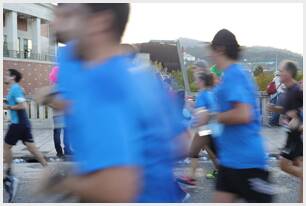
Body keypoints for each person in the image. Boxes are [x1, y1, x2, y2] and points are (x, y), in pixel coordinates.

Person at [37, 3, 189, 202]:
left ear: (101, 22)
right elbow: (182, 142)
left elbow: (115, 189)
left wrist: (59, 183)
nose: (56, 25)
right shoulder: (142, 77)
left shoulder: (103, 82)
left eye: (67, 15)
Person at [195, 29, 273, 203]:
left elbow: (243, 114)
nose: (211, 56)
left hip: (247, 162)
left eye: (212, 51)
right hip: (230, 160)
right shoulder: (228, 75)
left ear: (220, 49)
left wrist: (211, 116)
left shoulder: (234, 74)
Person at [3, 69, 48, 202]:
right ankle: (48, 169)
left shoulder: (15, 88)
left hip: (18, 123)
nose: (4, 76)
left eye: (7, 74)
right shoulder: (15, 88)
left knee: (6, 147)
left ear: (12, 77)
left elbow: (23, 105)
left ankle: (10, 174)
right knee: (31, 148)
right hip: (23, 123)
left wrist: (8, 108)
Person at [267, 60, 303, 202]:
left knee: (283, 164)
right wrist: (276, 109)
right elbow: (288, 110)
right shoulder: (287, 90)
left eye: (281, 71)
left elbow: (299, 111)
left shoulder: (297, 90)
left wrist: (299, 118)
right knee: (298, 167)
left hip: (297, 135)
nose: (279, 73)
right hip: (292, 135)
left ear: (288, 73)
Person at [177, 71, 219, 186]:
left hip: (204, 128)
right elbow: (209, 109)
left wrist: (191, 107)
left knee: (193, 152)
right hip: (210, 127)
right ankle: (223, 173)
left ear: (202, 82)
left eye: (197, 80)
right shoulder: (209, 93)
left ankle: (191, 177)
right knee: (212, 153)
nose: (196, 81)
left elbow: (202, 113)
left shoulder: (203, 94)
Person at [49, 66, 73, 158]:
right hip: (58, 114)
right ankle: (59, 151)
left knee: (66, 132)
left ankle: (67, 150)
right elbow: (49, 102)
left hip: (66, 114)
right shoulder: (54, 88)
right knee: (58, 133)